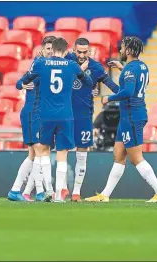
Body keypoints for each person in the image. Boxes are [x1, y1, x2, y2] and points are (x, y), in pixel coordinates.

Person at [85, 36, 157, 202]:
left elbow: (128, 92)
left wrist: (108, 98)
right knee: (118, 154)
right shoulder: (141, 67)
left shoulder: (130, 70)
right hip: (129, 116)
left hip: (132, 115)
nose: (120, 50)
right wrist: (119, 70)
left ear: (129, 50)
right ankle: (105, 195)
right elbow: (126, 88)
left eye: (122, 48)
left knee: (135, 157)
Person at [19, 37, 93, 202]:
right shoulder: (72, 65)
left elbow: (24, 81)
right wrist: (82, 71)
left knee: (44, 151)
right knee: (62, 153)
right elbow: (88, 82)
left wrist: (24, 84)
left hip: (46, 115)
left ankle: (49, 190)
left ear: (53, 50)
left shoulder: (40, 64)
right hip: (66, 116)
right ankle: (59, 195)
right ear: (66, 51)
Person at [7, 35, 56, 202]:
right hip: (32, 112)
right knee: (38, 151)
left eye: (53, 49)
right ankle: (40, 192)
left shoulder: (51, 66)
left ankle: (16, 191)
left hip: (41, 114)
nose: (51, 52)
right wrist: (22, 84)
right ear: (42, 49)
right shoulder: (38, 64)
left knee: (34, 154)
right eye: (48, 48)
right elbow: (20, 82)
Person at [59, 38, 108, 202]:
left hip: (84, 117)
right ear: (73, 49)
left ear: (90, 51)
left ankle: (76, 192)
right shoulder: (65, 61)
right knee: (62, 152)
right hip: (65, 115)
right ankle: (63, 188)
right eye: (78, 51)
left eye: (84, 52)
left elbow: (109, 85)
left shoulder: (96, 67)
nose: (81, 54)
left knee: (82, 154)